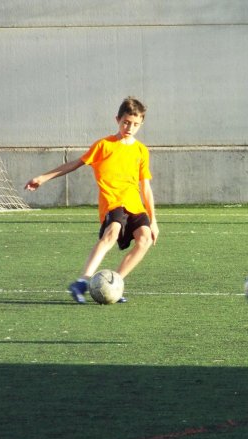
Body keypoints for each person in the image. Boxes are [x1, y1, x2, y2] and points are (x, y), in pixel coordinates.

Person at [25, 97, 159, 303]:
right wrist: (43, 178)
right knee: (112, 232)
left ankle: (115, 283)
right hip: (113, 203)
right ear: (117, 119)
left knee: (145, 239)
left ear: (141, 124)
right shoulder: (104, 145)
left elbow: (146, 188)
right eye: (125, 122)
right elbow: (75, 164)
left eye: (135, 124)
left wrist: (154, 221)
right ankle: (82, 281)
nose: (129, 127)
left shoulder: (141, 150)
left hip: (134, 204)